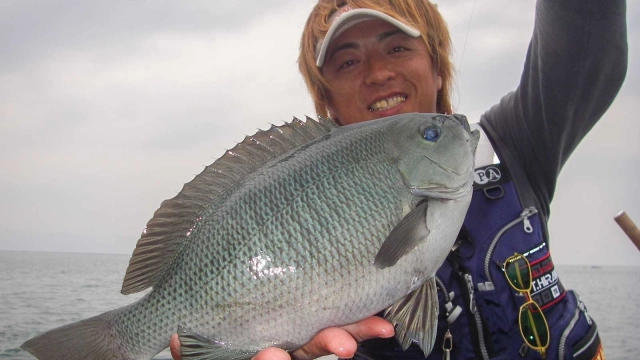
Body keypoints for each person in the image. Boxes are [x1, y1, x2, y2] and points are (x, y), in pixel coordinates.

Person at [171, 0, 627, 359]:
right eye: (348, 62)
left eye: (397, 47)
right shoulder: (301, 182)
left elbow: (586, 45)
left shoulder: (514, 141)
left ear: (438, 65)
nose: (378, 72)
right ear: (325, 99)